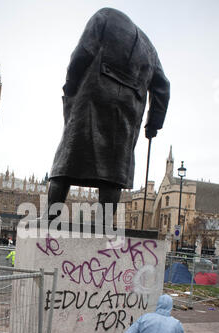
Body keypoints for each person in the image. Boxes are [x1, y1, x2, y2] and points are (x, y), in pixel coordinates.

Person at [48, 8, 170, 223]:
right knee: (115, 169)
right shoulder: (150, 48)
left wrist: (71, 87)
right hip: (129, 110)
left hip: (93, 95)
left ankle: (51, 217)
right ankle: (104, 223)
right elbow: (162, 87)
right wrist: (153, 124)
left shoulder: (105, 16)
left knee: (67, 158)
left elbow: (82, 53)